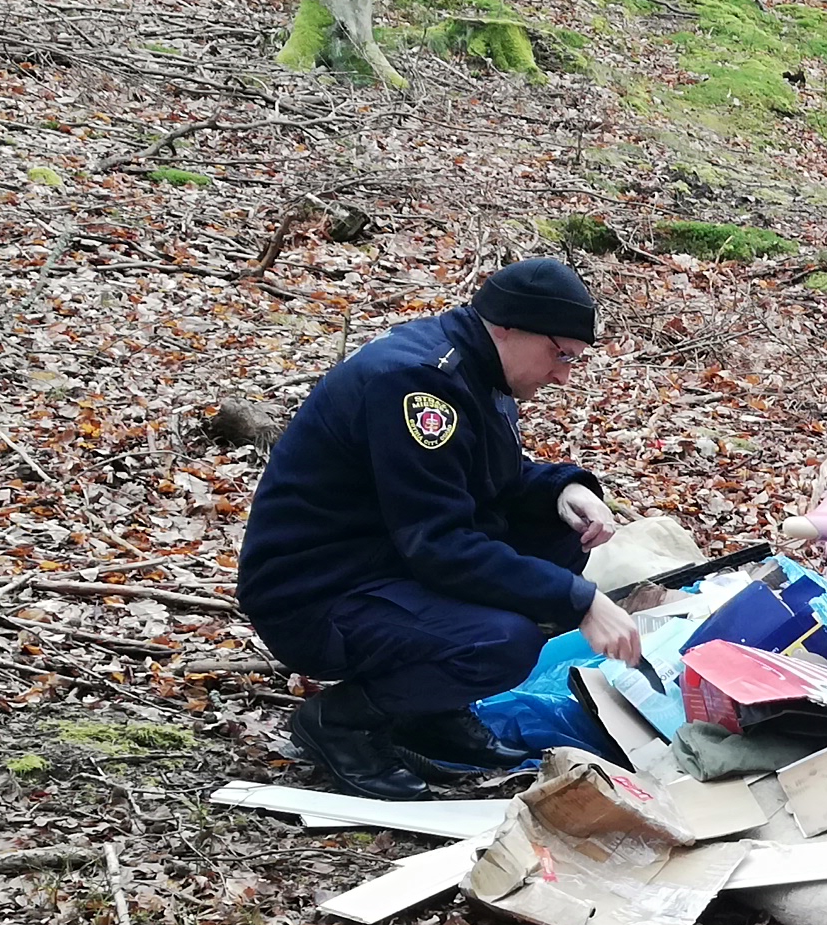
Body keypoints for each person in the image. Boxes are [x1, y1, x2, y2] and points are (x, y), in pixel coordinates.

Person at [237, 259, 644, 798]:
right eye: (560, 354)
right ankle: (340, 722)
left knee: (561, 530)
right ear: (509, 326)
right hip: (315, 593)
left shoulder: (477, 368)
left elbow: (476, 478)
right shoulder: (417, 384)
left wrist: (560, 488)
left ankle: (429, 710)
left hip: (381, 559)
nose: (563, 375)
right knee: (502, 643)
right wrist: (582, 601)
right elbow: (440, 543)